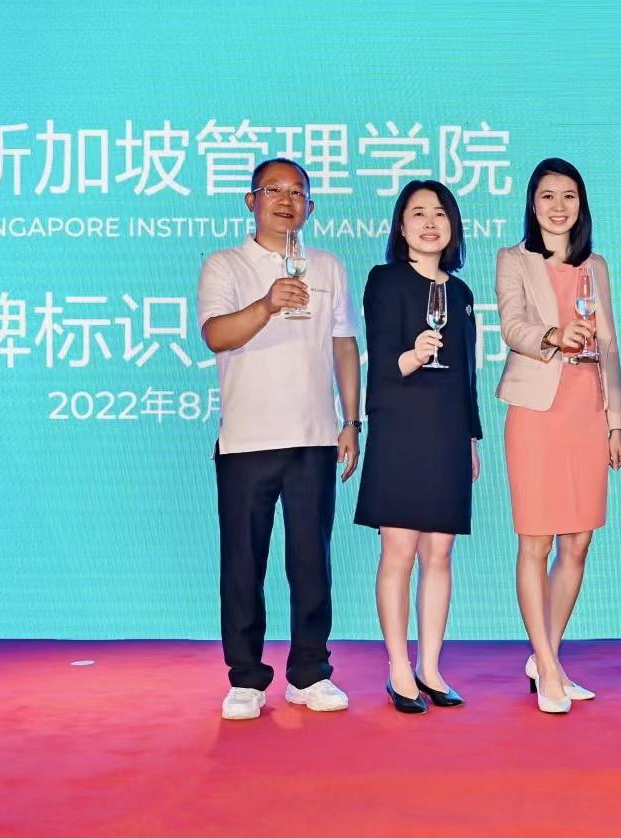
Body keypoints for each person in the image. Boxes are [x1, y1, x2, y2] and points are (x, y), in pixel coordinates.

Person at [198, 158, 359, 721]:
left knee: (312, 564)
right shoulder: (224, 264)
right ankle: (245, 678)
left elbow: (344, 345)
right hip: (246, 441)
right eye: (274, 191)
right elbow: (216, 335)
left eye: (298, 193)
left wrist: (351, 420)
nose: (286, 202)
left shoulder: (328, 266)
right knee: (243, 564)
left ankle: (310, 672)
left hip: (313, 438)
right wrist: (268, 303)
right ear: (252, 201)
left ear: (310, 207)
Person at [495, 158, 621, 714]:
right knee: (536, 542)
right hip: (536, 412)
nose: (558, 206)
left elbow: (610, 346)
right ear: (533, 204)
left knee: (578, 542)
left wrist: (615, 422)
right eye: (547, 196)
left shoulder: (596, 266)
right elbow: (512, 326)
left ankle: (544, 655)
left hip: (586, 413)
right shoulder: (513, 260)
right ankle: (549, 667)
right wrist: (554, 334)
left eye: (568, 195)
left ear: (581, 204)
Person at [355, 180, 482, 715]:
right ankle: (399, 668)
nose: (430, 223)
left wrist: (471, 438)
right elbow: (381, 358)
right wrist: (411, 356)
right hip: (401, 428)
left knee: (440, 553)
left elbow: (468, 376)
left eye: (440, 214)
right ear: (401, 226)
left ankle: (430, 666)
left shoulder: (463, 293)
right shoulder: (385, 280)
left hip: (448, 432)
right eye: (418, 213)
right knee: (400, 552)